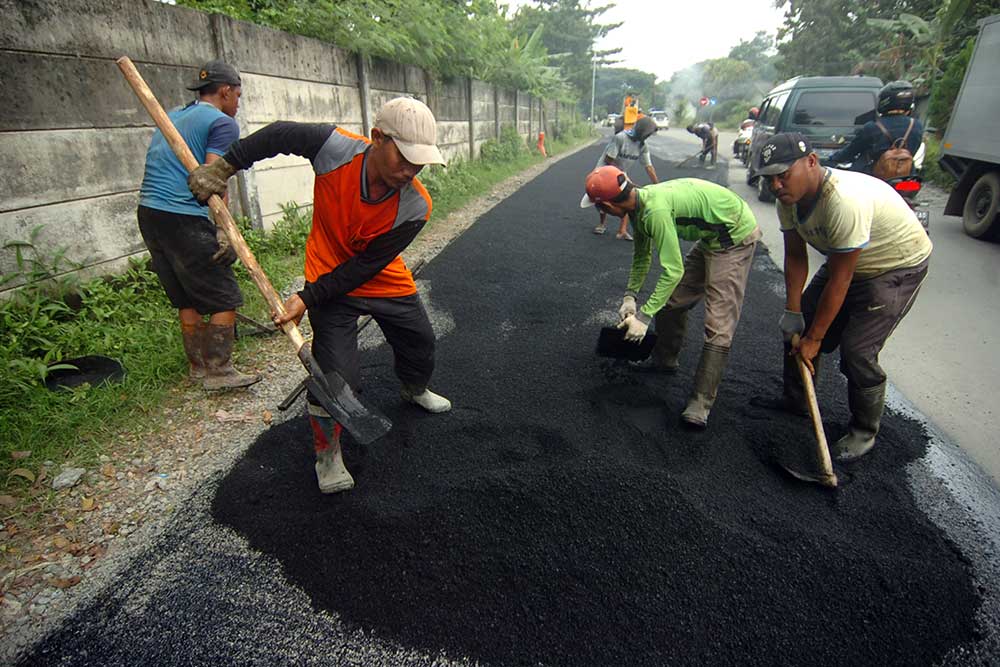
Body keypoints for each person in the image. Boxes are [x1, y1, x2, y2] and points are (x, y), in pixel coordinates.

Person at [188, 97, 451, 495]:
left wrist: (307, 297)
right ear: (377, 138)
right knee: (335, 378)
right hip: (330, 282)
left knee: (421, 344)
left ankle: (413, 388)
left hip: (381, 280)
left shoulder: (416, 205)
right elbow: (277, 134)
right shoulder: (334, 149)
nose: (411, 170)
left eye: (420, 162)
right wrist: (224, 167)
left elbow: (366, 266)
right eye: (405, 158)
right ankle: (327, 454)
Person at [751, 133, 932, 480]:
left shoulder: (843, 200)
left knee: (857, 351)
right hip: (846, 263)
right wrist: (794, 313)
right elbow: (794, 254)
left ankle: (863, 432)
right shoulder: (787, 200)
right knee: (799, 327)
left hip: (895, 266)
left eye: (783, 174)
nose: (775, 185)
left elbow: (842, 280)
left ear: (812, 162)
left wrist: (817, 338)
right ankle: (796, 401)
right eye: (768, 178)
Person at [580, 166, 762, 427]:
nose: (601, 212)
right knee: (670, 302)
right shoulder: (638, 207)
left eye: (600, 208)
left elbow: (673, 270)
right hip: (709, 236)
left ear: (608, 205)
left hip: (733, 235)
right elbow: (642, 256)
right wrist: (630, 296)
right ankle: (665, 360)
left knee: (718, 324)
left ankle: (701, 401)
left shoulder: (655, 211)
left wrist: (643, 317)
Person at [136, 59, 261, 391]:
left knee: (186, 297)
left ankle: (198, 368)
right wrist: (224, 230)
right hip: (181, 216)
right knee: (224, 295)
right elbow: (213, 178)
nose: (238, 102)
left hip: (149, 213)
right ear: (225, 91)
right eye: (237, 95)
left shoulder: (176, 115)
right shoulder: (222, 122)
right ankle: (219, 372)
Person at [824, 80, 923, 176]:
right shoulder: (917, 126)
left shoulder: (872, 127)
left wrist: (830, 160)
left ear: (884, 101)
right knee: (915, 184)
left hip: (873, 180)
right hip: (905, 178)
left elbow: (850, 152)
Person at [592, 115, 659, 240]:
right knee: (603, 200)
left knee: (630, 198)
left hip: (621, 174)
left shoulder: (642, 146)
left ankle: (622, 230)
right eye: (648, 134)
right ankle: (601, 223)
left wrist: (658, 185)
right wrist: (621, 177)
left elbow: (649, 167)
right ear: (642, 131)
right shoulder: (620, 138)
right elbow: (608, 159)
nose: (648, 137)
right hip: (604, 171)